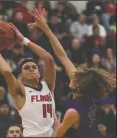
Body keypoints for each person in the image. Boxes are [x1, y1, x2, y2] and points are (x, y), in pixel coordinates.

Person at [29, 7, 116, 137]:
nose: (72, 76)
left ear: (80, 86)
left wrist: (56, 127)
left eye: (75, 78)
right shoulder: (88, 95)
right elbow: (62, 55)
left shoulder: (72, 112)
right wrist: (45, 28)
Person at [0, 21, 56, 137]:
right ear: (21, 76)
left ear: (39, 73)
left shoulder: (47, 85)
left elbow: (49, 59)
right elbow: (7, 72)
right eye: (26, 68)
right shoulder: (20, 91)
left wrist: (24, 40)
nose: (31, 69)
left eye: (34, 67)